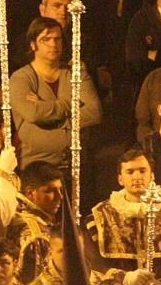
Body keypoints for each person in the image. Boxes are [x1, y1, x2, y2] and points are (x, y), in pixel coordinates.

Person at [10, 17, 103, 173]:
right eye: (45, 39)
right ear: (33, 44)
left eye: (57, 39)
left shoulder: (75, 73)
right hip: (37, 165)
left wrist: (48, 111)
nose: (53, 44)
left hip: (77, 163)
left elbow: (94, 112)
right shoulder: (21, 78)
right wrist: (71, 104)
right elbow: (33, 113)